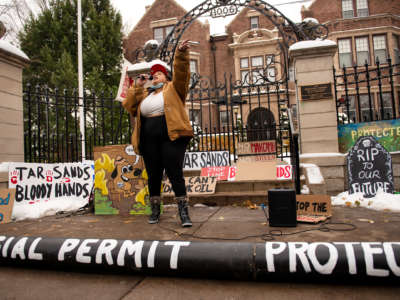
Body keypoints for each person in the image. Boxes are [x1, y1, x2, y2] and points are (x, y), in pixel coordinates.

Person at [122, 40, 194, 227]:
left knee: (174, 172)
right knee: (153, 174)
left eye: (159, 73)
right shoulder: (145, 94)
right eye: (153, 75)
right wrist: (138, 86)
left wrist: (181, 54)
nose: (155, 77)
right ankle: (155, 210)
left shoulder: (174, 89)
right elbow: (129, 106)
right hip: (148, 140)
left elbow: (182, 75)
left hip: (171, 136)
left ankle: (183, 212)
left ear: (166, 77)